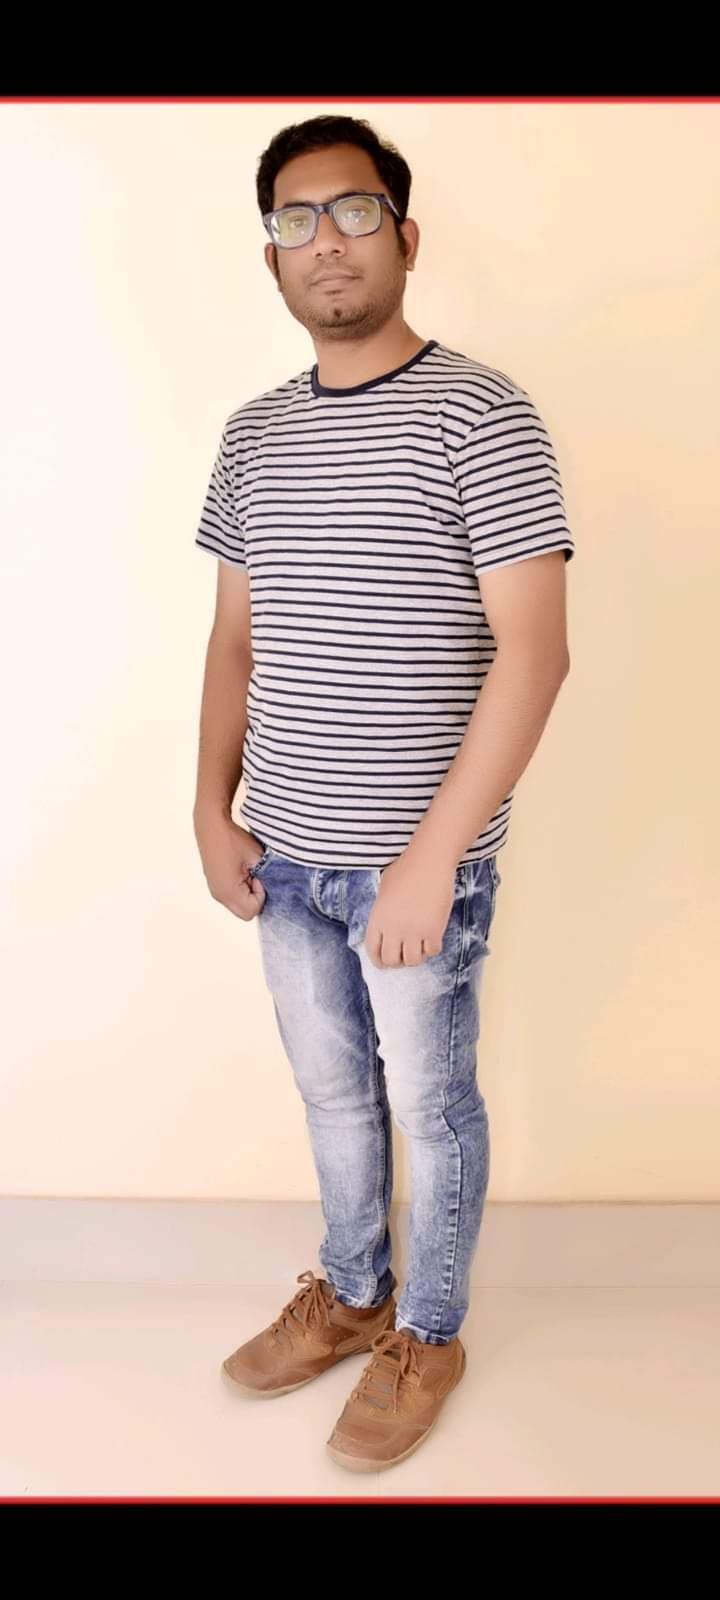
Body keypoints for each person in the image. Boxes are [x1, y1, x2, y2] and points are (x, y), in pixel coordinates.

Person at [192, 114, 574, 1473]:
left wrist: (431, 859)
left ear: (405, 236)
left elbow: (536, 654)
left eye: (353, 211)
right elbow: (234, 640)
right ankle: (353, 1295)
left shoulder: (484, 413)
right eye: (295, 220)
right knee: (334, 1097)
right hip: (285, 861)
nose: (326, 242)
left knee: (430, 1105)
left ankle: (429, 1329)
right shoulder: (252, 435)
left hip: (422, 867)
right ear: (272, 258)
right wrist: (209, 808)